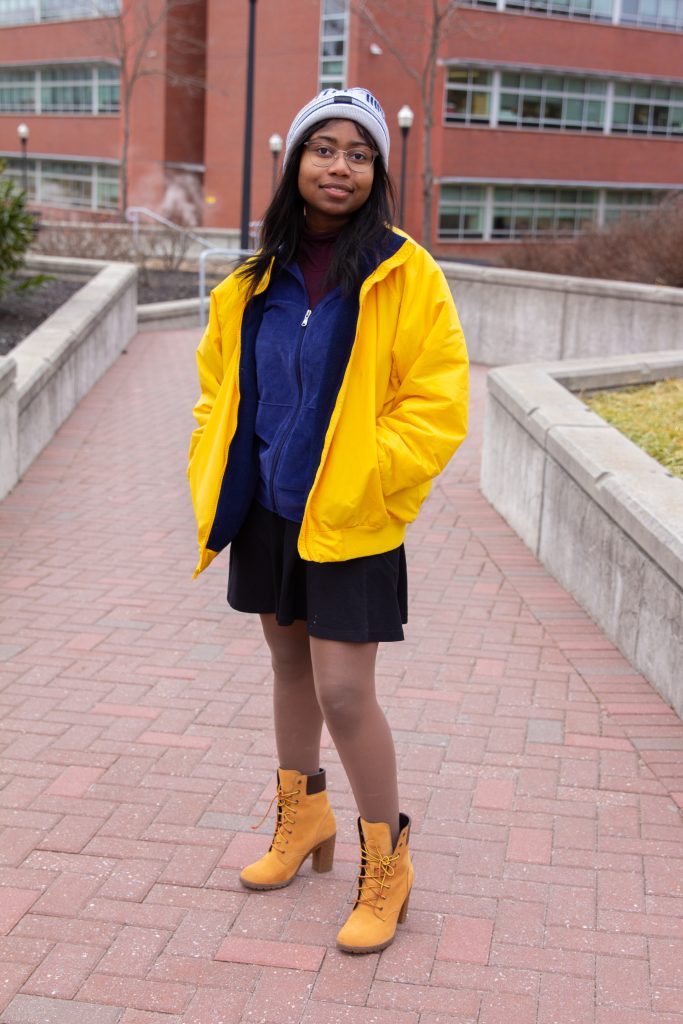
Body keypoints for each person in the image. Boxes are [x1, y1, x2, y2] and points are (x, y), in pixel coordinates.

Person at [188, 87, 468, 954]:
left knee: (346, 692)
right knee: (287, 665)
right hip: (268, 512)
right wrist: (215, 463)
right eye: (323, 147)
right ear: (295, 161)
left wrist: (370, 476)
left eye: (357, 151)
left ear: (377, 169)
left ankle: (387, 864)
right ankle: (302, 818)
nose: (338, 165)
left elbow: (437, 400)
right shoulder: (251, 278)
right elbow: (217, 390)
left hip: (351, 516)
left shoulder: (403, 270)